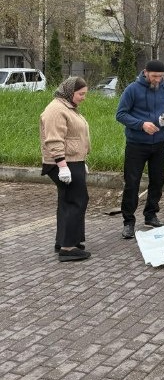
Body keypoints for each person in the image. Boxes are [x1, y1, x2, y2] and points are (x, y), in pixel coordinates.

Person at [116, 60, 164, 239]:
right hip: (136, 144)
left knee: (157, 181)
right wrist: (141, 125)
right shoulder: (132, 89)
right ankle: (128, 222)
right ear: (145, 72)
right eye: (154, 76)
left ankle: (151, 215)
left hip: (159, 143)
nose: (157, 80)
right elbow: (121, 114)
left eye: (160, 76)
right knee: (132, 183)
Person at [40, 76, 91, 262]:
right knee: (76, 200)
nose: (83, 97)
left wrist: (80, 159)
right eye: (80, 94)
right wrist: (63, 166)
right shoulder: (56, 110)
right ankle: (68, 248)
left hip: (72, 161)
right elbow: (54, 139)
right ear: (70, 92)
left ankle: (64, 241)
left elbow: (74, 137)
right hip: (63, 163)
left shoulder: (67, 107)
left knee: (68, 199)